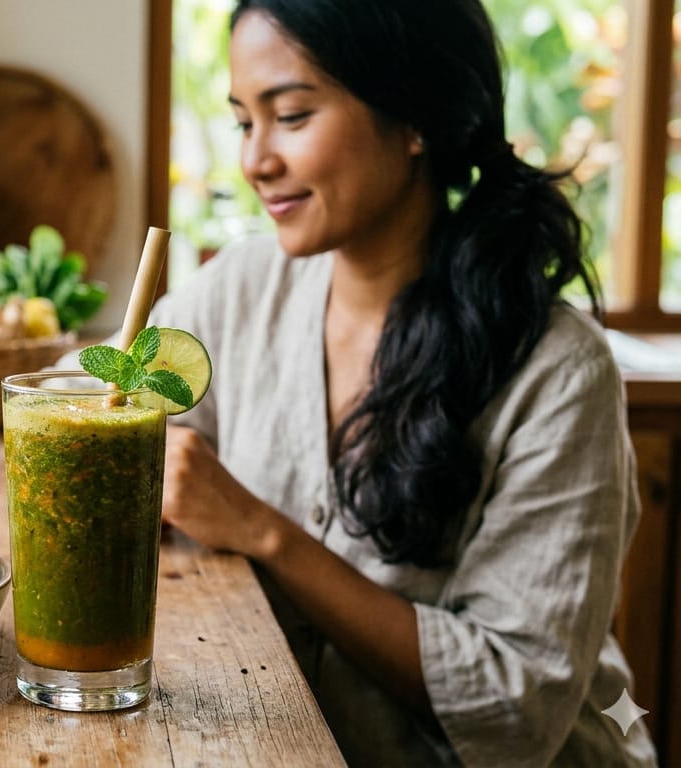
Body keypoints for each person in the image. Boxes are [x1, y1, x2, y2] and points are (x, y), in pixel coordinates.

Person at [140, 1, 657, 764]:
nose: (254, 160)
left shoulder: (558, 370)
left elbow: (515, 703)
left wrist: (260, 531)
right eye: (245, 122)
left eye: (291, 116)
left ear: (414, 117)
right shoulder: (242, 287)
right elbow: (95, 403)